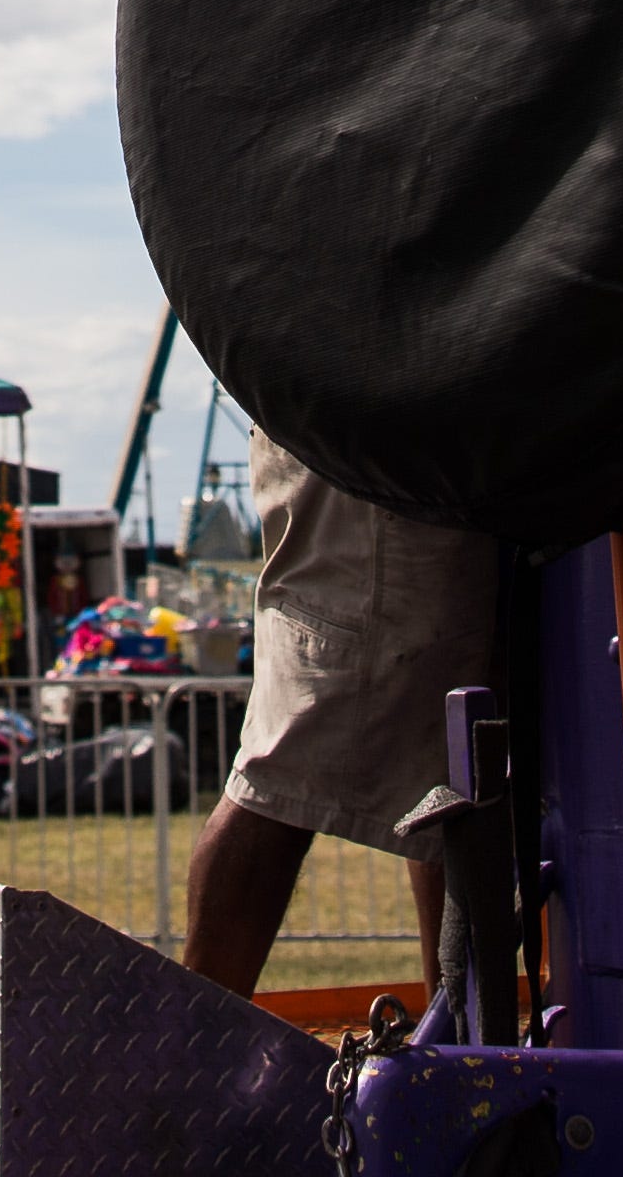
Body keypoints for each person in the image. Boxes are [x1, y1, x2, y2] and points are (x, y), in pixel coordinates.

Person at [178, 428, 498, 1001]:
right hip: (384, 432)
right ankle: (195, 1060)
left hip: (431, 429)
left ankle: (459, 1039)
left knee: (452, 759)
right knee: (292, 759)